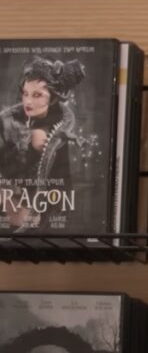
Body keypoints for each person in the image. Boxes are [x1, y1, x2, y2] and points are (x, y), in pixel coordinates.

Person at [0, 55, 85, 230]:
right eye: (25, 93)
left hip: (48, 208)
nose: (28, 101)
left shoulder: (62, 121)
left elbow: (65, 182)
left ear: (53, 98)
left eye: (37, 95)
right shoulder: (7, 121)